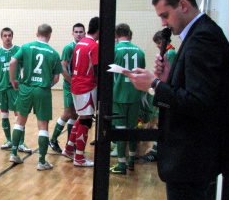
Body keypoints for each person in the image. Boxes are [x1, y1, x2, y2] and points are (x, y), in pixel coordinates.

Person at [124, 0, 229, 200]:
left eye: (165, 15)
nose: (163, 23)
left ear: (183, 5)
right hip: (188, 158)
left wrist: (154, 85)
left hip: (190, 158)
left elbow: (198, 103)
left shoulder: (203, 37)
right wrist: (167, 80)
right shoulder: (198, 34)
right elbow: (191, 93)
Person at [8, 24, 63, 171]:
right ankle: (42, 161)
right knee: (43, 126)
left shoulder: (26, 47)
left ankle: (14, 153)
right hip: (42, 90)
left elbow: (13, 62)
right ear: (49, 35)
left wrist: (13, 80)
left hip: (25, 88)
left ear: (37, 33)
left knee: (20, 121)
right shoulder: (53, 53)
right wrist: (45, 84)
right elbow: (57, 78)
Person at [61, 17, 100, 167]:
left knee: (82, 117)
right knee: (86, 120)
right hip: (87, 87)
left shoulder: (80, 44)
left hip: (76, 85)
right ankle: (79, 157)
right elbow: (97, 70)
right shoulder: (93, 46)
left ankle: (69, 148)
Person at [109, 23, 146, 174]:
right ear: (129, 33)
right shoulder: (140, 52)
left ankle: (121, 164)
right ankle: (131, 159)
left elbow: (110, 75)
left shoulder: (114, 50)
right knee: (133, 128)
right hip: (135, 95)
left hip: (119, 95)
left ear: (116, 35)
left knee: (120, 129)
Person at [0, 27, 32, 153]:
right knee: (4, 114)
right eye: (5, 36)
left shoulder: (18, 51)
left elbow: (25, 68)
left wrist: (24, 84)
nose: (7, 38)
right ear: (1, 37)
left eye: (9, 35)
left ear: (12, 36)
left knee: (19, 115)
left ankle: (21, 143)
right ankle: (9, 140)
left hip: (15, 89)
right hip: (2, 89)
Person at [140, 30, 178, 162]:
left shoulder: (171, 53)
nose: (158, 46)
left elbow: (173, 74)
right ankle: (156, 149)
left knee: (158, 121)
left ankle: (157, 151)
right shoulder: (167, 52)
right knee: (156, 120)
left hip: (166, 92)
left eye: (158, 43)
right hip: (162, 90)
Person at [48, 23, 85, 153]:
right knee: (68, 113)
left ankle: (70, 143)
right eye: (76, 32)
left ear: (84, 33)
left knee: (75, 114)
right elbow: (62, 68)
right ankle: (52, 139)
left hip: (80, 86)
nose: (79, 34)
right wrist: (72, 82)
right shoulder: (69, 48)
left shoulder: (84, 46)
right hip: (70, 86)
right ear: (72, 33)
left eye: (81, 32)